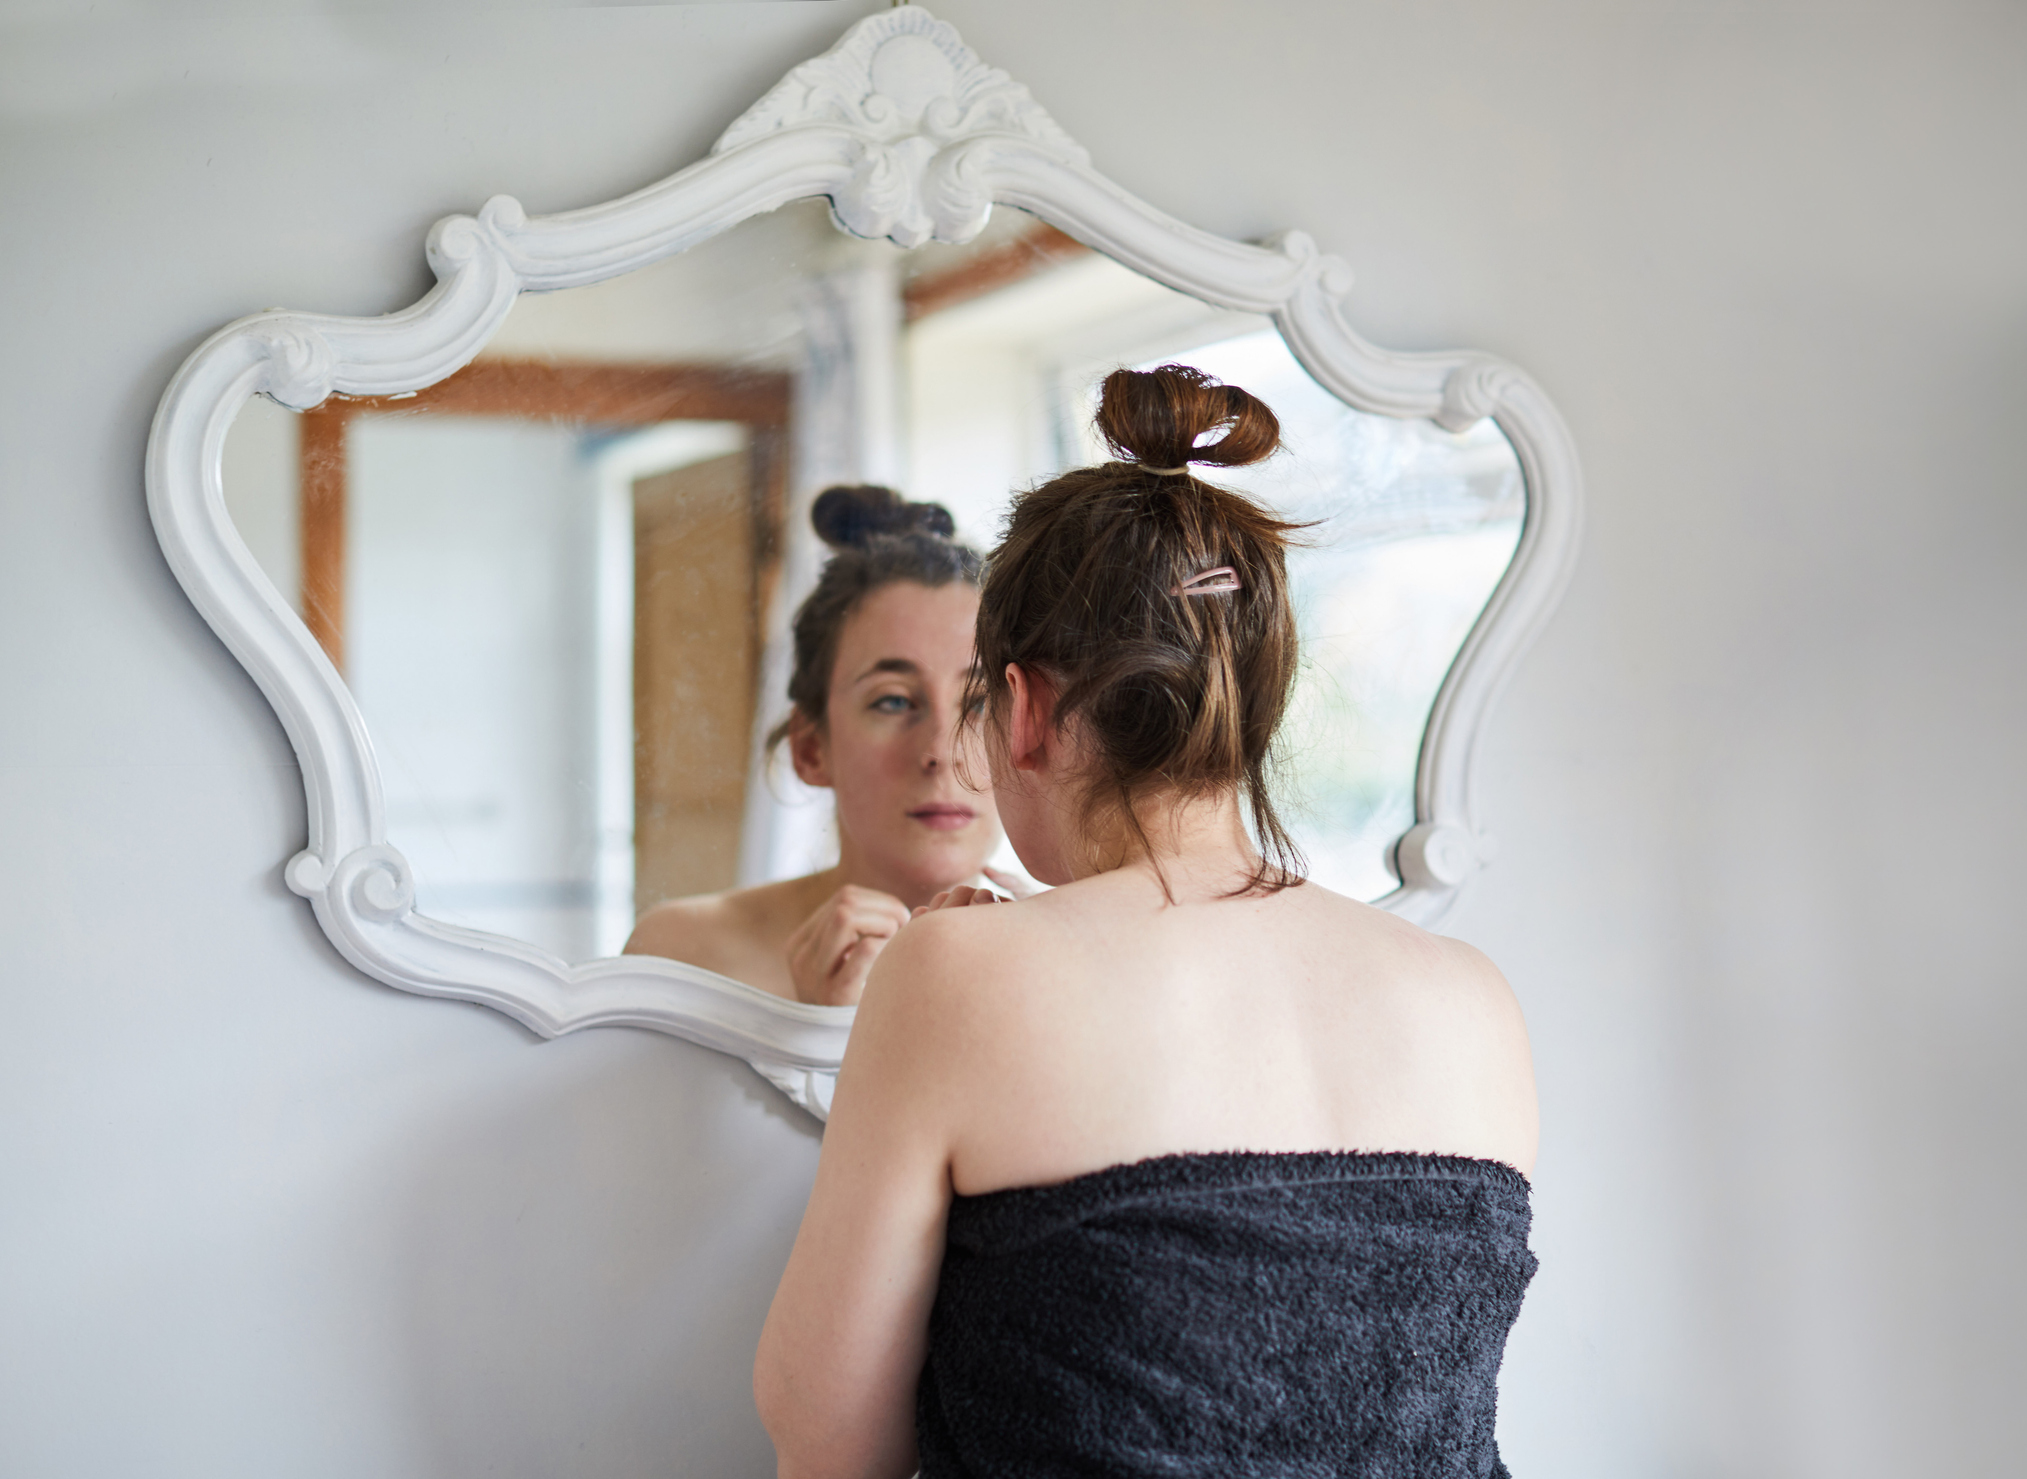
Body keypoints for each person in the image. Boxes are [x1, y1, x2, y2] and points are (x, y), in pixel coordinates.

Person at [754, 366, 1541, 1477]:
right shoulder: (1470, 995)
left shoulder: (959, 971)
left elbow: (825, 1434)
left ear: (1020, 710)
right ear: (1256, 702)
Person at [625, 485, 1007, 1007]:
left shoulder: (1070, 969)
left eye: (981, 703)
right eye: (893, 702)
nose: (942, 751)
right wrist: (815, 1026)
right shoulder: (685, 957)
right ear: (810, 749)